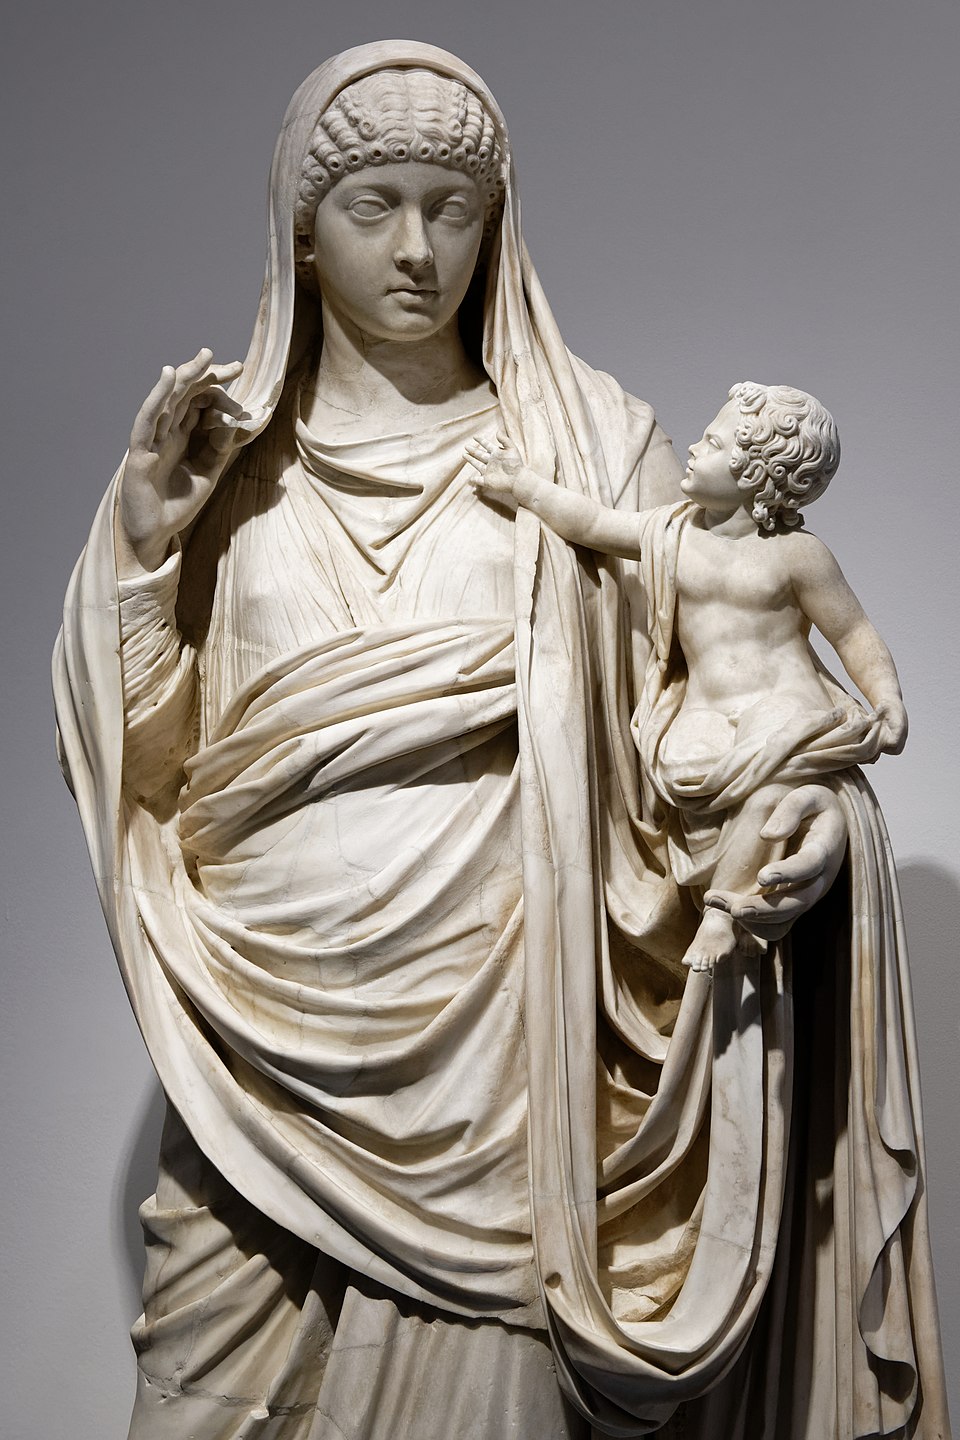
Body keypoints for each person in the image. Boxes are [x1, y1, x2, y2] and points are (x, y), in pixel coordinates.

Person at [54, 41, 950, 1440]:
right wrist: (141, 556)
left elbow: (705, 716)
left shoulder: (598, 451)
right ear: (303, 229)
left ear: (497, 224)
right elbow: (151, 776)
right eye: (376, 206)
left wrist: (811, 816)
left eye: (454, 209)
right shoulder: (223, 472)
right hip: (252, 1049)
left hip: (507, 1073)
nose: (419, 249)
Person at [466, 382, 908, 974]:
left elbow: (852, 632)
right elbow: (592, 522)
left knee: (771, 787)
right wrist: (523, 486)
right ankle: (725, 904)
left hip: (784, 702)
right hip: (703, 708)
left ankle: (722, 913)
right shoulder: (671, 533)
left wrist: (887, 698)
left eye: (714, 443)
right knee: (687, 766)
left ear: (757, 476)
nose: (695, 449)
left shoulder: (798, 555)